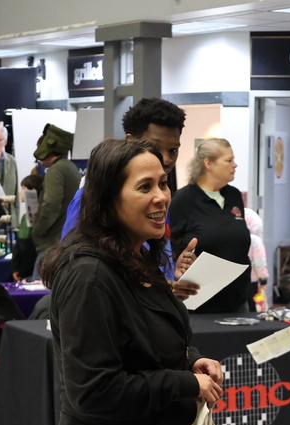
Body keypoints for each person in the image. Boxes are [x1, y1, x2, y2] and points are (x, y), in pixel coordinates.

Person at [40, 138, 223, 425]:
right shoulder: (89, 275)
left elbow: (147, 335)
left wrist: (192, 360)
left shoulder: (135, 256)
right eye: (144, 187)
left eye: (163, 183)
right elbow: (95, 391)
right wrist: (185, 385)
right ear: (108, 199)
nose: (161, 197)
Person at [60, 97, 197, 300]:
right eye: (143, 187)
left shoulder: (160, 198)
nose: (166, 159)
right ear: (131, 141)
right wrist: (154, 288)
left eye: (173, 150)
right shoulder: (90, 198)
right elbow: (73, 267)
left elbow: (147, 263)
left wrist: (171, 272)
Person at [170, 138, 250, 313]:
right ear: (208, 164)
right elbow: (169, 248)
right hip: (199, 304)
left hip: (238, 301)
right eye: (229, 160)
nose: (235, 165)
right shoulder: (183, 200)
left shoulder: (234, 196)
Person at [30, 124, 81, 279]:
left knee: (39, 292)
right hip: (65, 240)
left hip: (52, 243)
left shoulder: (56, 170)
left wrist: (38, 229)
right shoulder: (70, 168)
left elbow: (51, 205)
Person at [11, 174, 43, 282]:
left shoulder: (41, 218)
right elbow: (19, 246)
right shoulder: (25, 218)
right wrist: (15, 267)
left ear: (32, 192)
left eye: (23, 188)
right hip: (23, 271)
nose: (20, 192)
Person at [245, 207, 269, 311]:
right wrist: (263, 281)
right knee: (253, 308)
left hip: (235, 281)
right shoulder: (255, 240)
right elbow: (260, 263)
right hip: (252, 282)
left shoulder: (233, 239)